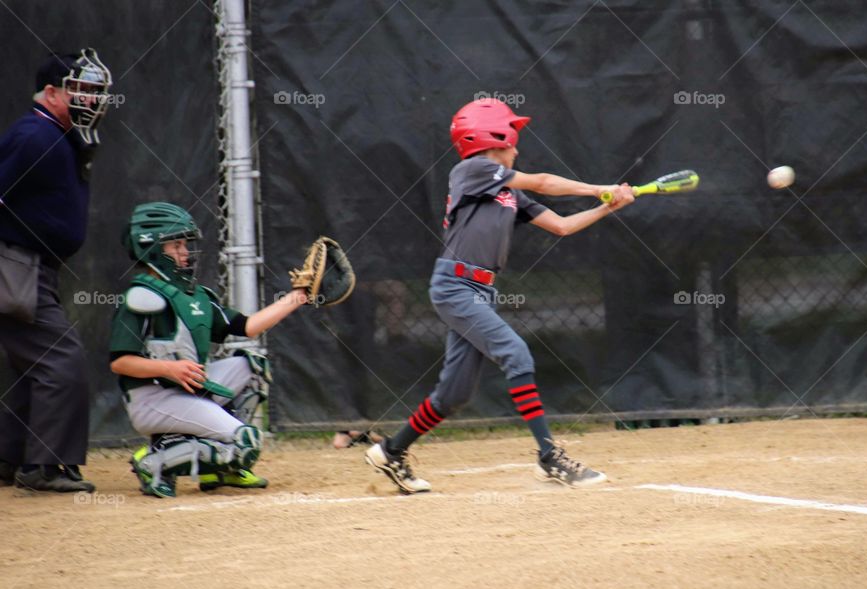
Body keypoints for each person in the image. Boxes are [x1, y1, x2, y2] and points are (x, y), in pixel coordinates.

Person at [365, 98, 635, 493]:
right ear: (492, 138)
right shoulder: (473, 169)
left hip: (480, 290)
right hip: (456, 286)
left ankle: (391, 451)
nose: (517, 148)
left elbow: (560, 226)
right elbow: (543, 181)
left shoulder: (507, 191)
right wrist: (599, 188)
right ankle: (548, 457)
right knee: (516, 353)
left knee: (454, 393)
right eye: (513, 139)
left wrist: (607, 207)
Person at [110, 202, 310, 498]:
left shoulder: (197, 296)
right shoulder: (141, 297)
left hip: (185, 389)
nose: (184, 252)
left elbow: (249, 326)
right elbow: (120, 363)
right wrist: (168, 368)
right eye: (174, 245)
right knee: (246, 443)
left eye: (184, 244)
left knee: (252, 366)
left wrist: (298, 297)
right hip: (151, 398)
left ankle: (220, 469)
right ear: (151, 249)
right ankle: (155, 462)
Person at [0, 49, 112, 492]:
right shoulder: (36, 135)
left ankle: (9, 458)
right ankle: (45, 467)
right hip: (13, 266)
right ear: (50, 93)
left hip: (31, 267)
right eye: (81, 90)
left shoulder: (61, 138)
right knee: (60, 360)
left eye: (97, 92)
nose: (92, 100)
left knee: (28, 365)